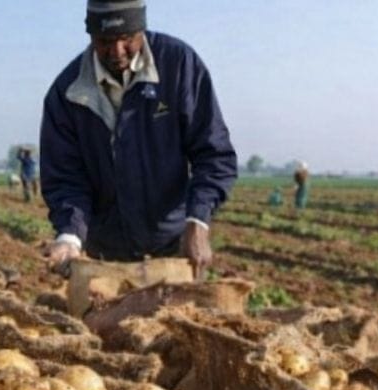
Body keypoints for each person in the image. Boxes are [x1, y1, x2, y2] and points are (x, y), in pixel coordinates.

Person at [40, 0, 237, 277]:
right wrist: (70, 236)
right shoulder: (67, 93)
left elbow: (214, 155)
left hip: (174, 250)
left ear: (141, 28)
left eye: (126, 39)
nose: (117, 52)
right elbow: (65, 179)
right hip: (104, 255)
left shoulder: (178, 66)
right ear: (90, 34)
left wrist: (198, 220)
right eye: (105, 41)